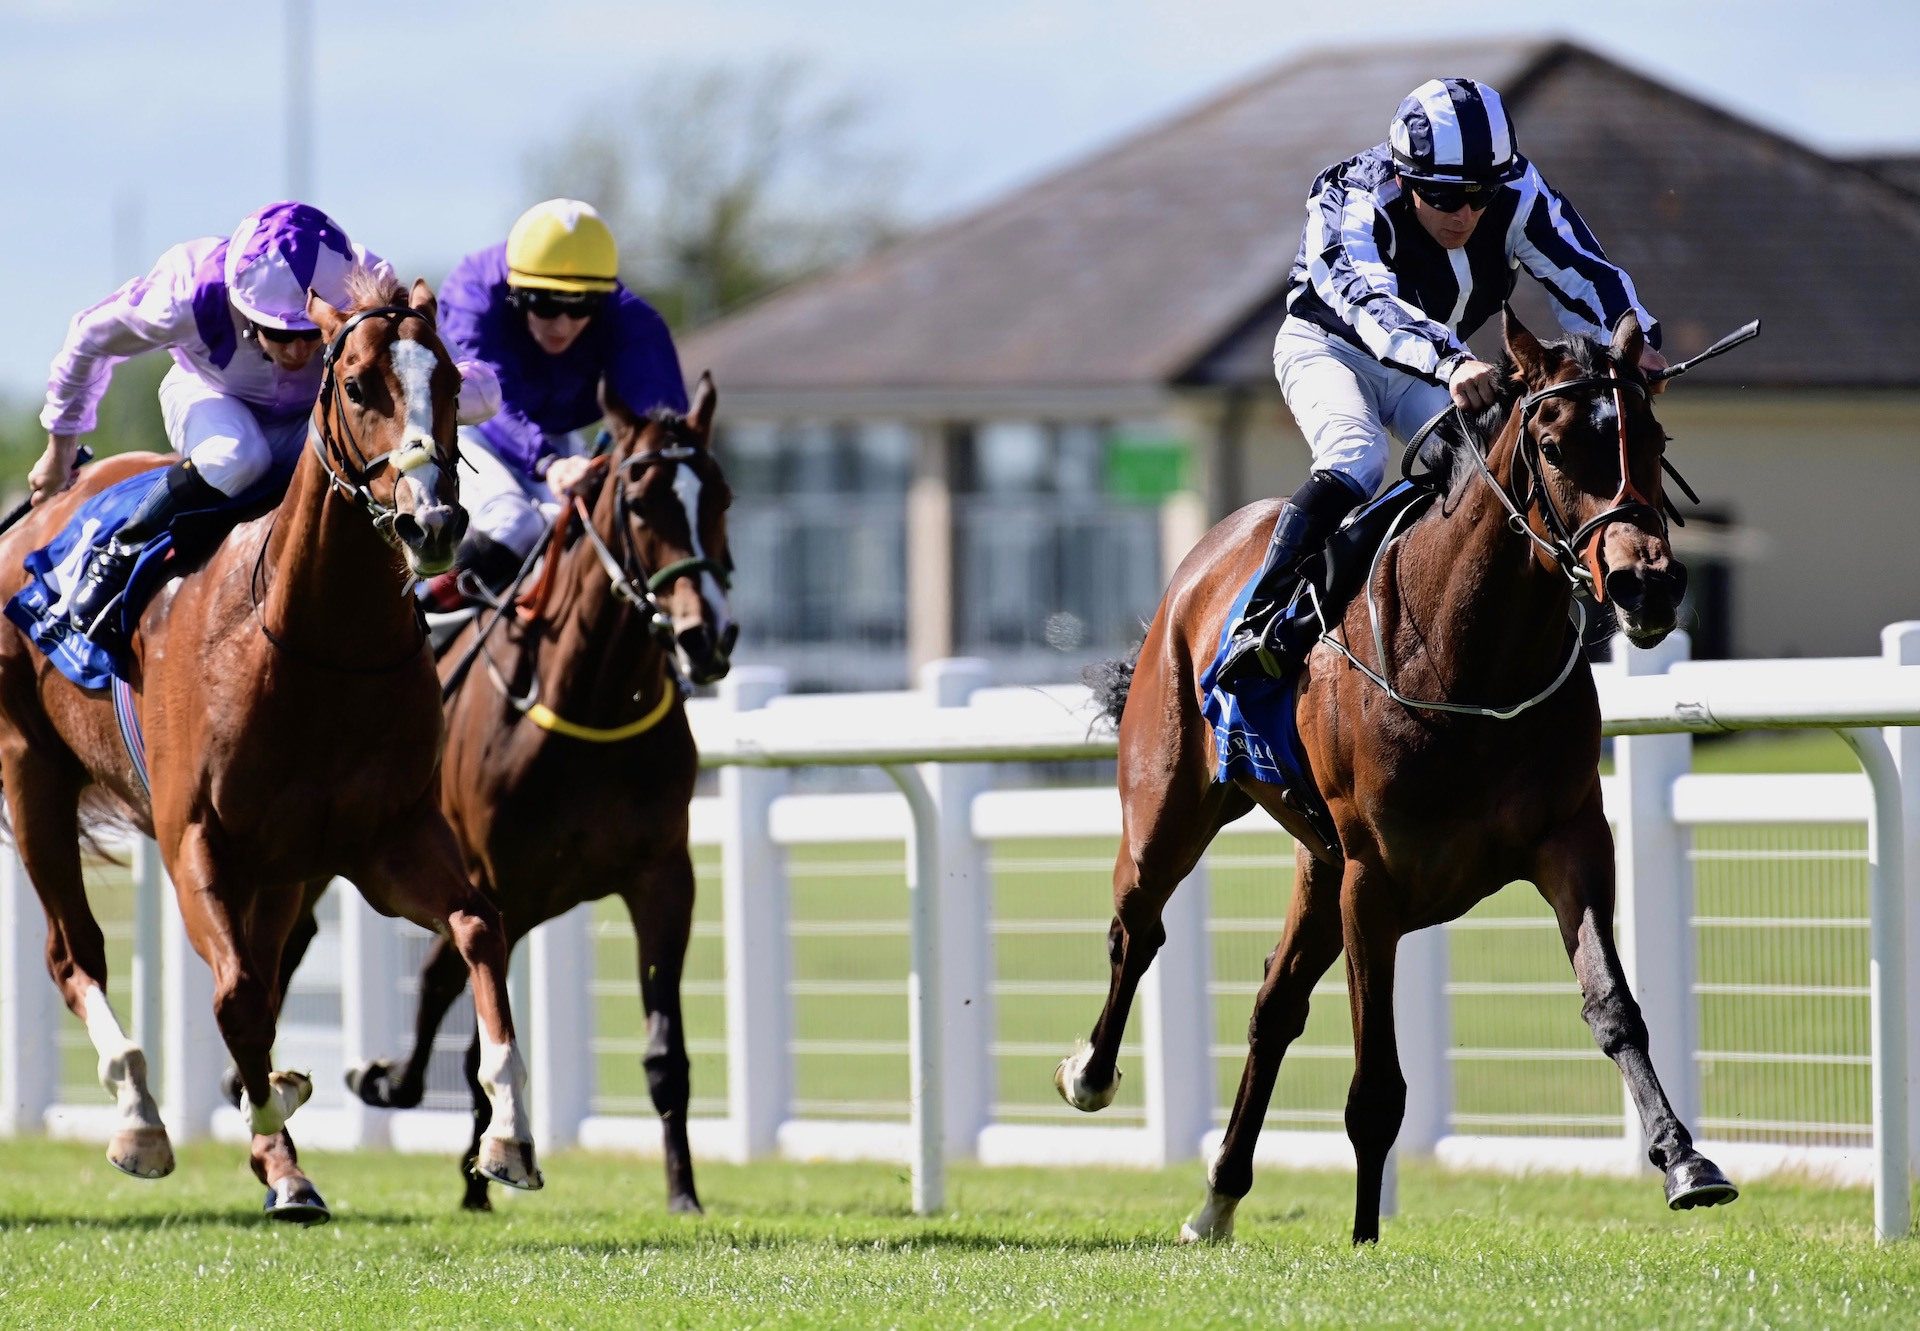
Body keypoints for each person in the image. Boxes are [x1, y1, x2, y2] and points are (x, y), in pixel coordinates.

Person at [1215, 77, 1667, 692]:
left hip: (1428, 366)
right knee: (1356, 458)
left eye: (1480, 195)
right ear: (1404, 177)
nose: (1465, 214)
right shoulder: (1349, 194)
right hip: (1331, 350)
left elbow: (1585, 272)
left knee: (1483, 476)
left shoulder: (1519, 191)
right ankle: (1262, 618)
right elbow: (1367, 299)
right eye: (1444, 196)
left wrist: (1632, 341)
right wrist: (1451, 362)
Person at [31, 201, 498, 642]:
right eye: (278, 333)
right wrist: (60, 449)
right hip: (211, 395)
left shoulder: (366, 281)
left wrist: (440, 398)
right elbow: (88, 338)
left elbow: (458, 374)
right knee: (237, 457)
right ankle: (120, 552)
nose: (297, 352)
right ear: (242, 306)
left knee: (360, 461)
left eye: (309, 334)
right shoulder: (184, 292)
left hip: (316, 412)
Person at [422, 198, 688, 606]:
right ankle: (418, 612)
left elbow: (661, 419)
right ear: (515, 292)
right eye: (545, 304)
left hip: (553, 436)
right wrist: (549, 463)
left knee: (593, 528)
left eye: (581, 306)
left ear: (603, 297)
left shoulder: (630, 318)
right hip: (470, 427)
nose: (562, 325)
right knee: (514, 523)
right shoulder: (475, 291)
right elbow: (490, 401)